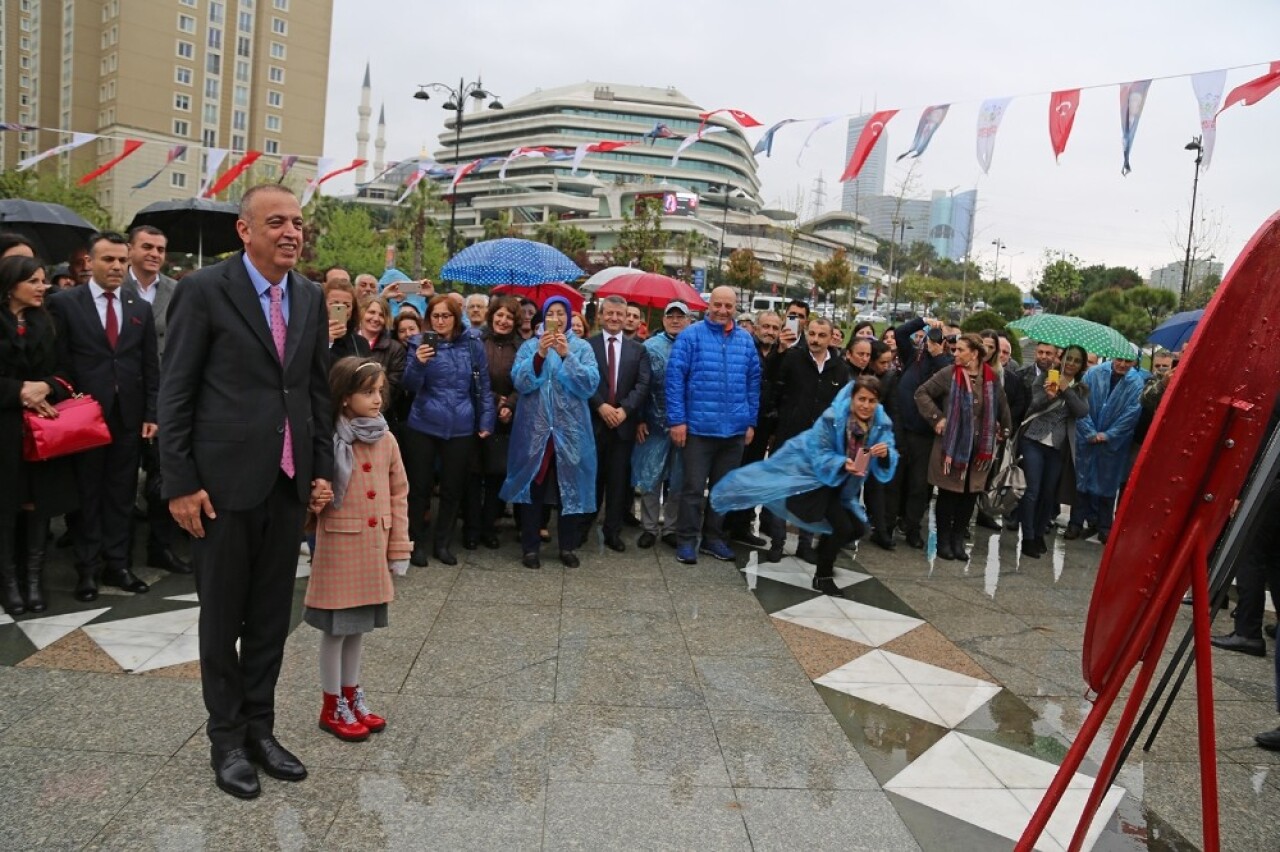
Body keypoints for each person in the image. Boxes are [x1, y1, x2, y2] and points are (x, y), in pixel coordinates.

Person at [159, 184, 334, 799]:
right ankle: (226, 739)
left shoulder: (309, 296)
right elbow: (176, 391)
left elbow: (314, 392)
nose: (292, 232)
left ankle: (260, 728)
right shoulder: (204, 291)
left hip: (286, 485)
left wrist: (320, 471)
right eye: (277, 222)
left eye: (298, 223)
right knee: (222, 617)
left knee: (268, 619)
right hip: (222, 486)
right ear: (245, 230)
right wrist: (179, 482)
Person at [50, 232, 159, 601]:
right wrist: (70, 398)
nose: (116, 267)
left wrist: (150, 412)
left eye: (121, 261)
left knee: (121, 494)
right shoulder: (66, 304)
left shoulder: (138, 307)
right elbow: (59, 361)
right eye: (108, 260)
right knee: (86, 495)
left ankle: (119, 564)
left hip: (127, 417)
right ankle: (87, 569)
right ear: (89, 264)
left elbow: (148, 366)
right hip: (83, 418)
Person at [712, 377, 896, 594]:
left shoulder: (880, 423)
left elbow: (889, 452)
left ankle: (824, 551)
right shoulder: (832, 418)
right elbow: (818, 451)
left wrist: (884, 454)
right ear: (852, 398)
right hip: (818, 481)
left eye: (872, 400)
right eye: (861, 399)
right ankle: (823, 576)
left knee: (857, 528)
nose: (866, 405)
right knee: (842, 527)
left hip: (846, 486)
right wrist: (840, 462)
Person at [305, 358, 409, 742]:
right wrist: (313, 502)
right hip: (340, 546)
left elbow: (400, 493)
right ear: (345, 397)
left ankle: (352, 693)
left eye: (380, 391)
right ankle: (332, 704)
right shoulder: (327, 438)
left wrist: (398, 546)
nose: (377, 399)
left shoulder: (386, 438)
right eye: (368, 392)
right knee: (336, 631)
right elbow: (308, 489)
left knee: (359, 629)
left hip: (373, 547)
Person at [0, 256, 78, 615]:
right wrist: (18, 391)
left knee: (37, 506)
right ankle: (9, 583)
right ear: (10, 284)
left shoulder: (46, 322)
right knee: (6, 507)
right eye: (33, 280)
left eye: (44, 280)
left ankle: (34, 580)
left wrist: (45, 387)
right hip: (4, 432)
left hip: (42, 433)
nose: (42, 287)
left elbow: (66, 371)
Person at [500, 295, 599, 569]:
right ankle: (530, 548)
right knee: (535, 488)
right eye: (551, 313)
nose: (556, 317)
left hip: (571, 432)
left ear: (568, 316)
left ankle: (567, 546)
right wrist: (540, 355)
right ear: (544, 318)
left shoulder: (581, 348)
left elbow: (589, 385)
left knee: (570, 488)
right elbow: (521, 381)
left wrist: (567, 356)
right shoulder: (530, 346)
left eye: (561, 312)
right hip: (535, 433)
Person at [665, 286, 760, 565]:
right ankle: (686, 540)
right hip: (697, 429)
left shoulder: (745, 341)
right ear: (709, 306)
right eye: (717, 304)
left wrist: (750, 421)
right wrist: (677, 420)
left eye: (728, 306)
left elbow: (753, 384)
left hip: (734, 431)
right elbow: (674, 381)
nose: (722, 310)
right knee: (692, 488)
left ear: (735, 308)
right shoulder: (690, 336)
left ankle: (713, 538)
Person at [402, 294, 495, 567]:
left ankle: (442, 543)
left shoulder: (472, 344)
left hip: (461, 425)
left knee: (453, 488)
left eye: (446, 316)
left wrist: (486, 421)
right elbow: (409, 385)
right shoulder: (419, 343)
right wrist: (418, 362)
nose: (440, 321)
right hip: (423, 423)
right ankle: (416, 542)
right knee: (419, 488)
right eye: (435, 316)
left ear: (456, 318)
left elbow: (483, 385)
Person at [124, 225, 189, 577]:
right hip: (120, 395)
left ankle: (159, 547)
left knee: (163, 475)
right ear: (130, 249)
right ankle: (114, 555)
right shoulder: (114, 288)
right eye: (147, 247)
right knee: (119, 480)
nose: (154, 254)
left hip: (164, 396)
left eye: (160, 249)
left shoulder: (176, 291)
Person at [914, 333, 1011, 561]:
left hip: (979, 449)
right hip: (951, 445)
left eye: (960, 350)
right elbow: (922, 393)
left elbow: (1002, 407)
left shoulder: (991, 378)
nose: (954, 353)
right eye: (954, 350)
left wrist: (1004, 430)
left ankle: (959, 540)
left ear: (974, 353)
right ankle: (943, 541)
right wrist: (937, 418)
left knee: (969, 496)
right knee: (948, 495)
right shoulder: (949, 374)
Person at [763, 316, 851, 562]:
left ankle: (805, 544)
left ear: (831, 337)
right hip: (789, 437)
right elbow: (774, 385)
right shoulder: (793, 358)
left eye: (821, 335)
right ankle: (777, 542)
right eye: (812, 333)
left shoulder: (840, 369)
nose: (815, 339)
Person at [586, 295, 651, 551]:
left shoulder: (639, 350)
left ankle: (612, 531)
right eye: (609, 313)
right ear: (601, 316)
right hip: (595, 421)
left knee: (618, 482)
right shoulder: (587, 346)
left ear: (626, 318)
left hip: (623, 426)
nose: (614, 318)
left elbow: (643, 384)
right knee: (592, 479)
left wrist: (624, 410)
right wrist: (600, 405)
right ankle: (583, 526)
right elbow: (582, 380)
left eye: (619, 314)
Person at [1016, 344, 1089, 558]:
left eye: (1077, 360)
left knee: (1049, 494)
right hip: (1034, 440)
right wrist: (1048, 396)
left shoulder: (1081, 388)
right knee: (1032, 491)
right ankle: (1028, 537)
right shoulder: (1047, 377)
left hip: (1058, 447)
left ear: (1081, 365)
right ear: (1060, 358)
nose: (1072, 363)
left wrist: (1066, 389)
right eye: (1069, 358)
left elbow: (1082, 411)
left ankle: (1039, 533)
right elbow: (1031, 405)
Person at [723, 309, 787, 546]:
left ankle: (741, 525)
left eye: (775, 328)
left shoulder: (782, 355)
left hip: (764, 425)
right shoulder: (744, 349)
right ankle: (721, 526)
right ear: (756, 328)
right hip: (739, 423)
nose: (770, 332)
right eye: (766, 327)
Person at [632, 301, 691, 549]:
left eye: (680, 316)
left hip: (686, 426)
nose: (675, 320)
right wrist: (639, 419)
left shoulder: (693, 345)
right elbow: (640, 386)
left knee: (678, 480)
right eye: (671, 316)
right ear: (664, 319)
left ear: (688, 320)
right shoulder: (649, 347)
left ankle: (670, 527)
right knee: (650, 478)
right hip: (654, 424)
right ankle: (648, 527)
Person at [1067, 355, 1143, 544]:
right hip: (1086, 438)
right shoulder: (1093, 374)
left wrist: (1108, 434)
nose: (1123, 364)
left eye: (1128, 361)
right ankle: (1075, 523)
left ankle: (1104, 526)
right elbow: (1079, 403)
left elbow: (1131, 413)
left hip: (1114, 442)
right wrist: (1090, 431)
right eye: (1120, 359)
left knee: (1108, 484)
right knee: (1081, 481)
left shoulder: (1136, 382)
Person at [466, 296, 521, 549]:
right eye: (499, 315)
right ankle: (471, 529)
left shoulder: (522, 347)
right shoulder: (477, 340)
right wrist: (491, 398)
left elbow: (525, 382)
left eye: (509, 317)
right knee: (473, 476)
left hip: (505, 419)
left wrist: (509, 403)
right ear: (491, 315)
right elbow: (468, 375)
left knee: (496, 475)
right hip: (475, 414)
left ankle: (489, 527)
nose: (503, 321)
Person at [893, 316, 953, 548]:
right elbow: (900, 334)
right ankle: (889, 523)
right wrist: (923, 321)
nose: (932, 340)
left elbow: (948, 382)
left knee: (919, 486)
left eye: (938, 337)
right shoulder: (913, 356)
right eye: (929, 336)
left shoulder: (945, 362)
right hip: (901, 428)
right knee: (897, 481)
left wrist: (938, 352)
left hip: (925, 434)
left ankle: (912, 527)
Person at [325, 278, 370, 362]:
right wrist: (327, 342)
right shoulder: (311, 338)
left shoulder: (360, 343)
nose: (341, 308)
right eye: (334, 303)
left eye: (347, 305)